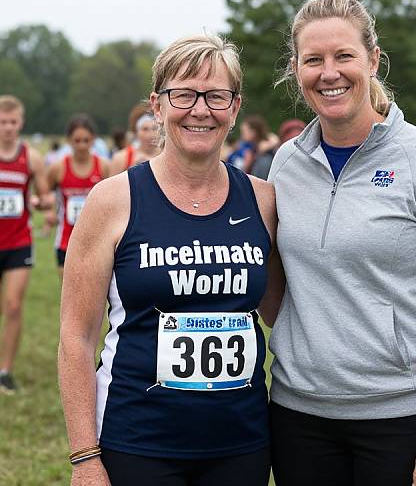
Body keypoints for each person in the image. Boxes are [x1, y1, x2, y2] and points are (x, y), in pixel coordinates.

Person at [266, 0, 416, 486]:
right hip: (299, 417)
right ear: (297, 70)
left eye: (344, 56)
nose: (330, 73)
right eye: (313, 60)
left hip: (402, 420)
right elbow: (278, 283)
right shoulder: (286, 164)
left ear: (372, 60)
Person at [58, 34, 277, 486]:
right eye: (184, 94)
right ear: (157, 105)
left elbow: (280, 311)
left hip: (242, 442)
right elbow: (76, 338)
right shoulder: (112, 200)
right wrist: (84, 457)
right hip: (137, 440)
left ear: (235, 107)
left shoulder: (264, 200)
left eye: (216, 96)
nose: (201, 109)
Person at [0, 95, 50, 393]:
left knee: (14, 305)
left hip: (19, 241)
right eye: (3, 122)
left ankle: (5, 370)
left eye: (13, 122)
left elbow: (45, 196)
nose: (7, 127)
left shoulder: (31, 158)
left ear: (21, 123)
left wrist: (40, 201)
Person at [47, 115, 109, 278]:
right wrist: (49, 210)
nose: (82, 146)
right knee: (69, 293)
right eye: (77, 140)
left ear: (93, 140)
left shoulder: (103, 166)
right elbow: (45, 193)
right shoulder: (58, 168)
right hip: (66, 241)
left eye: (86, 140)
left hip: (98, 240)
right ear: (69, 141)